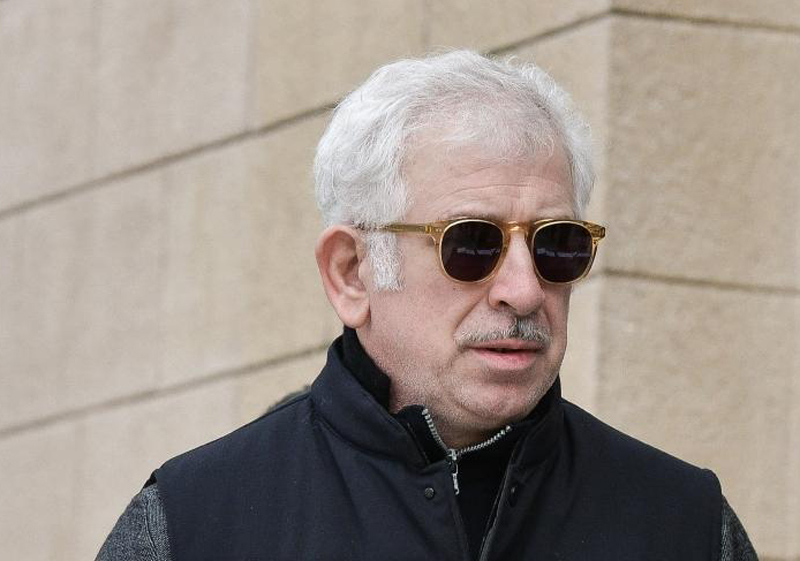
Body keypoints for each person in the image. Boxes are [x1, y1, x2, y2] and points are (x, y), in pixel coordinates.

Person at [97, 51, 757, 560]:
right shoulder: (192, 525)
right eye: (472, 243)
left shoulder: (687, 525)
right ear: (352, 273)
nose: (524, 289)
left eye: (557, 245)